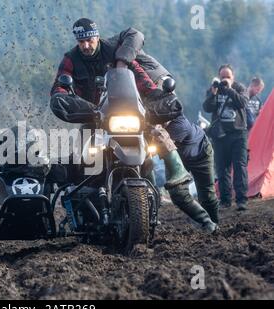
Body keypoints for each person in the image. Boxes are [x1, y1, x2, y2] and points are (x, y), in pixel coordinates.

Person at [50, 18, 217, 233]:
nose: (86, 45)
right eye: (81, 41)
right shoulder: (70, 60)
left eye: (89, 39)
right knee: (85, 160)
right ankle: (84, 215)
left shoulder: (115, 52)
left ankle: (160, 211)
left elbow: (141, 78)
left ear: (97, 36)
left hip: (127, 115)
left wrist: (156, 97)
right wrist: (66, 100)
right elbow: (59, 89)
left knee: (151, 150)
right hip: (94, 116)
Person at [126, 60, 220, 224]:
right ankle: (206, 222)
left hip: (200, 153)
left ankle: (214, 224)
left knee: (208, 195)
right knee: (178, 195)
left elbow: (163, 142)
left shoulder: (177, 119)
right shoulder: (151, 115)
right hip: (180, 157)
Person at [203, 64, 249, 211]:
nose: (225, 79)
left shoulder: (240, 88)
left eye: (228, 77)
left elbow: (242, 103)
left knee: (240, 167)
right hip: (219, 135)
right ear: (219, 76)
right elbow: (207, 108)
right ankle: (225, 201)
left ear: (233, 77)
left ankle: (241, 200)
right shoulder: (214, 89)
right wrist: (213, 93)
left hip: (238, 134)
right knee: (222, 169)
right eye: (223, 76)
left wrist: (229, 89)